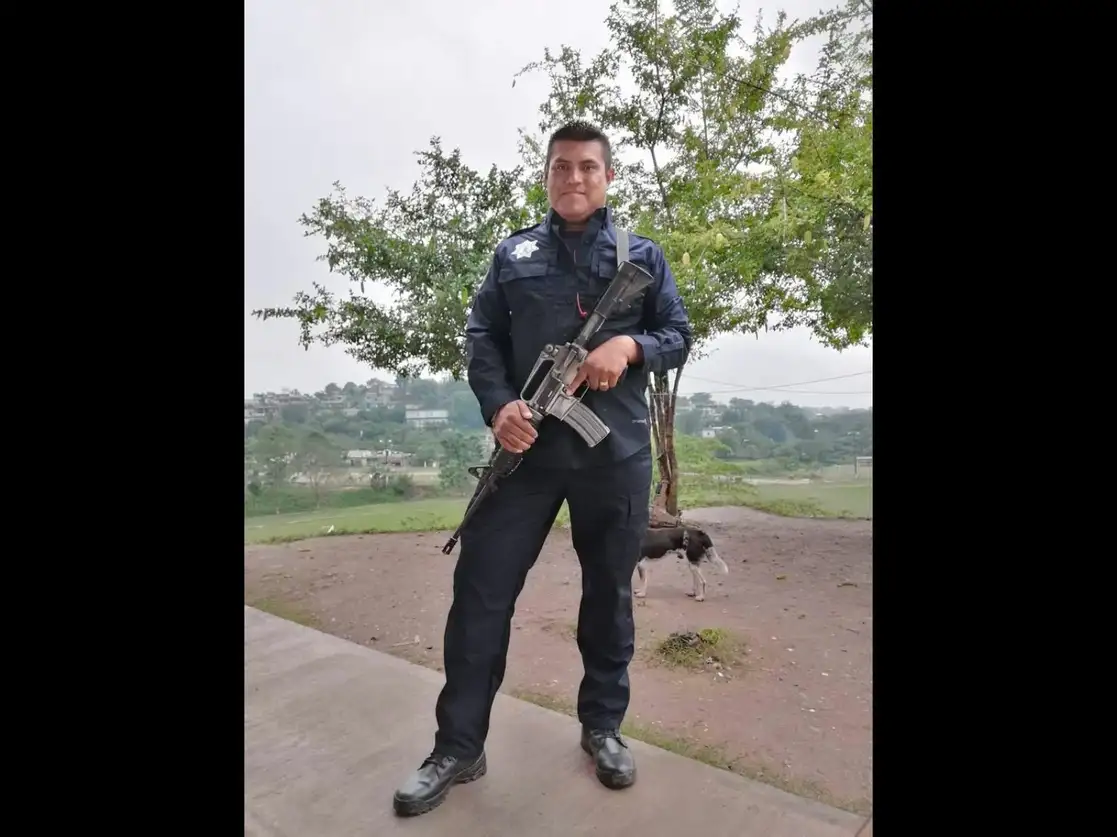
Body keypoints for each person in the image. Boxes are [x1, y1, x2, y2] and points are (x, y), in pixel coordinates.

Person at [392, 121, 693, 817]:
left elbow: (677, 334)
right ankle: (458, 746)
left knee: (607, 596)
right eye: (562, 167)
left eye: (588, 167)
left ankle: (602, 728)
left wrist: (629, 346)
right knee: (479, 595)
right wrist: (498, 406)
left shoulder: (640, 256)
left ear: (607, 177)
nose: (575, 179)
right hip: (524, 455)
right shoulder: (513, 253)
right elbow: (481, 338)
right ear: (547, 175)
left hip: (611, 455)